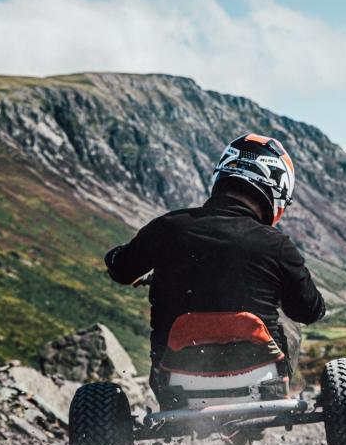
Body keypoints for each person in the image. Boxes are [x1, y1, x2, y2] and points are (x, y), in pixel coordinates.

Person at [104, 133, 325, 407]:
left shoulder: (166, 228)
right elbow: (309, 311)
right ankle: (274, 390)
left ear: (223, 174)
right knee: (288, 319)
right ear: (277, 188)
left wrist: (119, 256)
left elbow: (120, 270)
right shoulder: (277, 244)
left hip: (175, 385)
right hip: (261, 383)